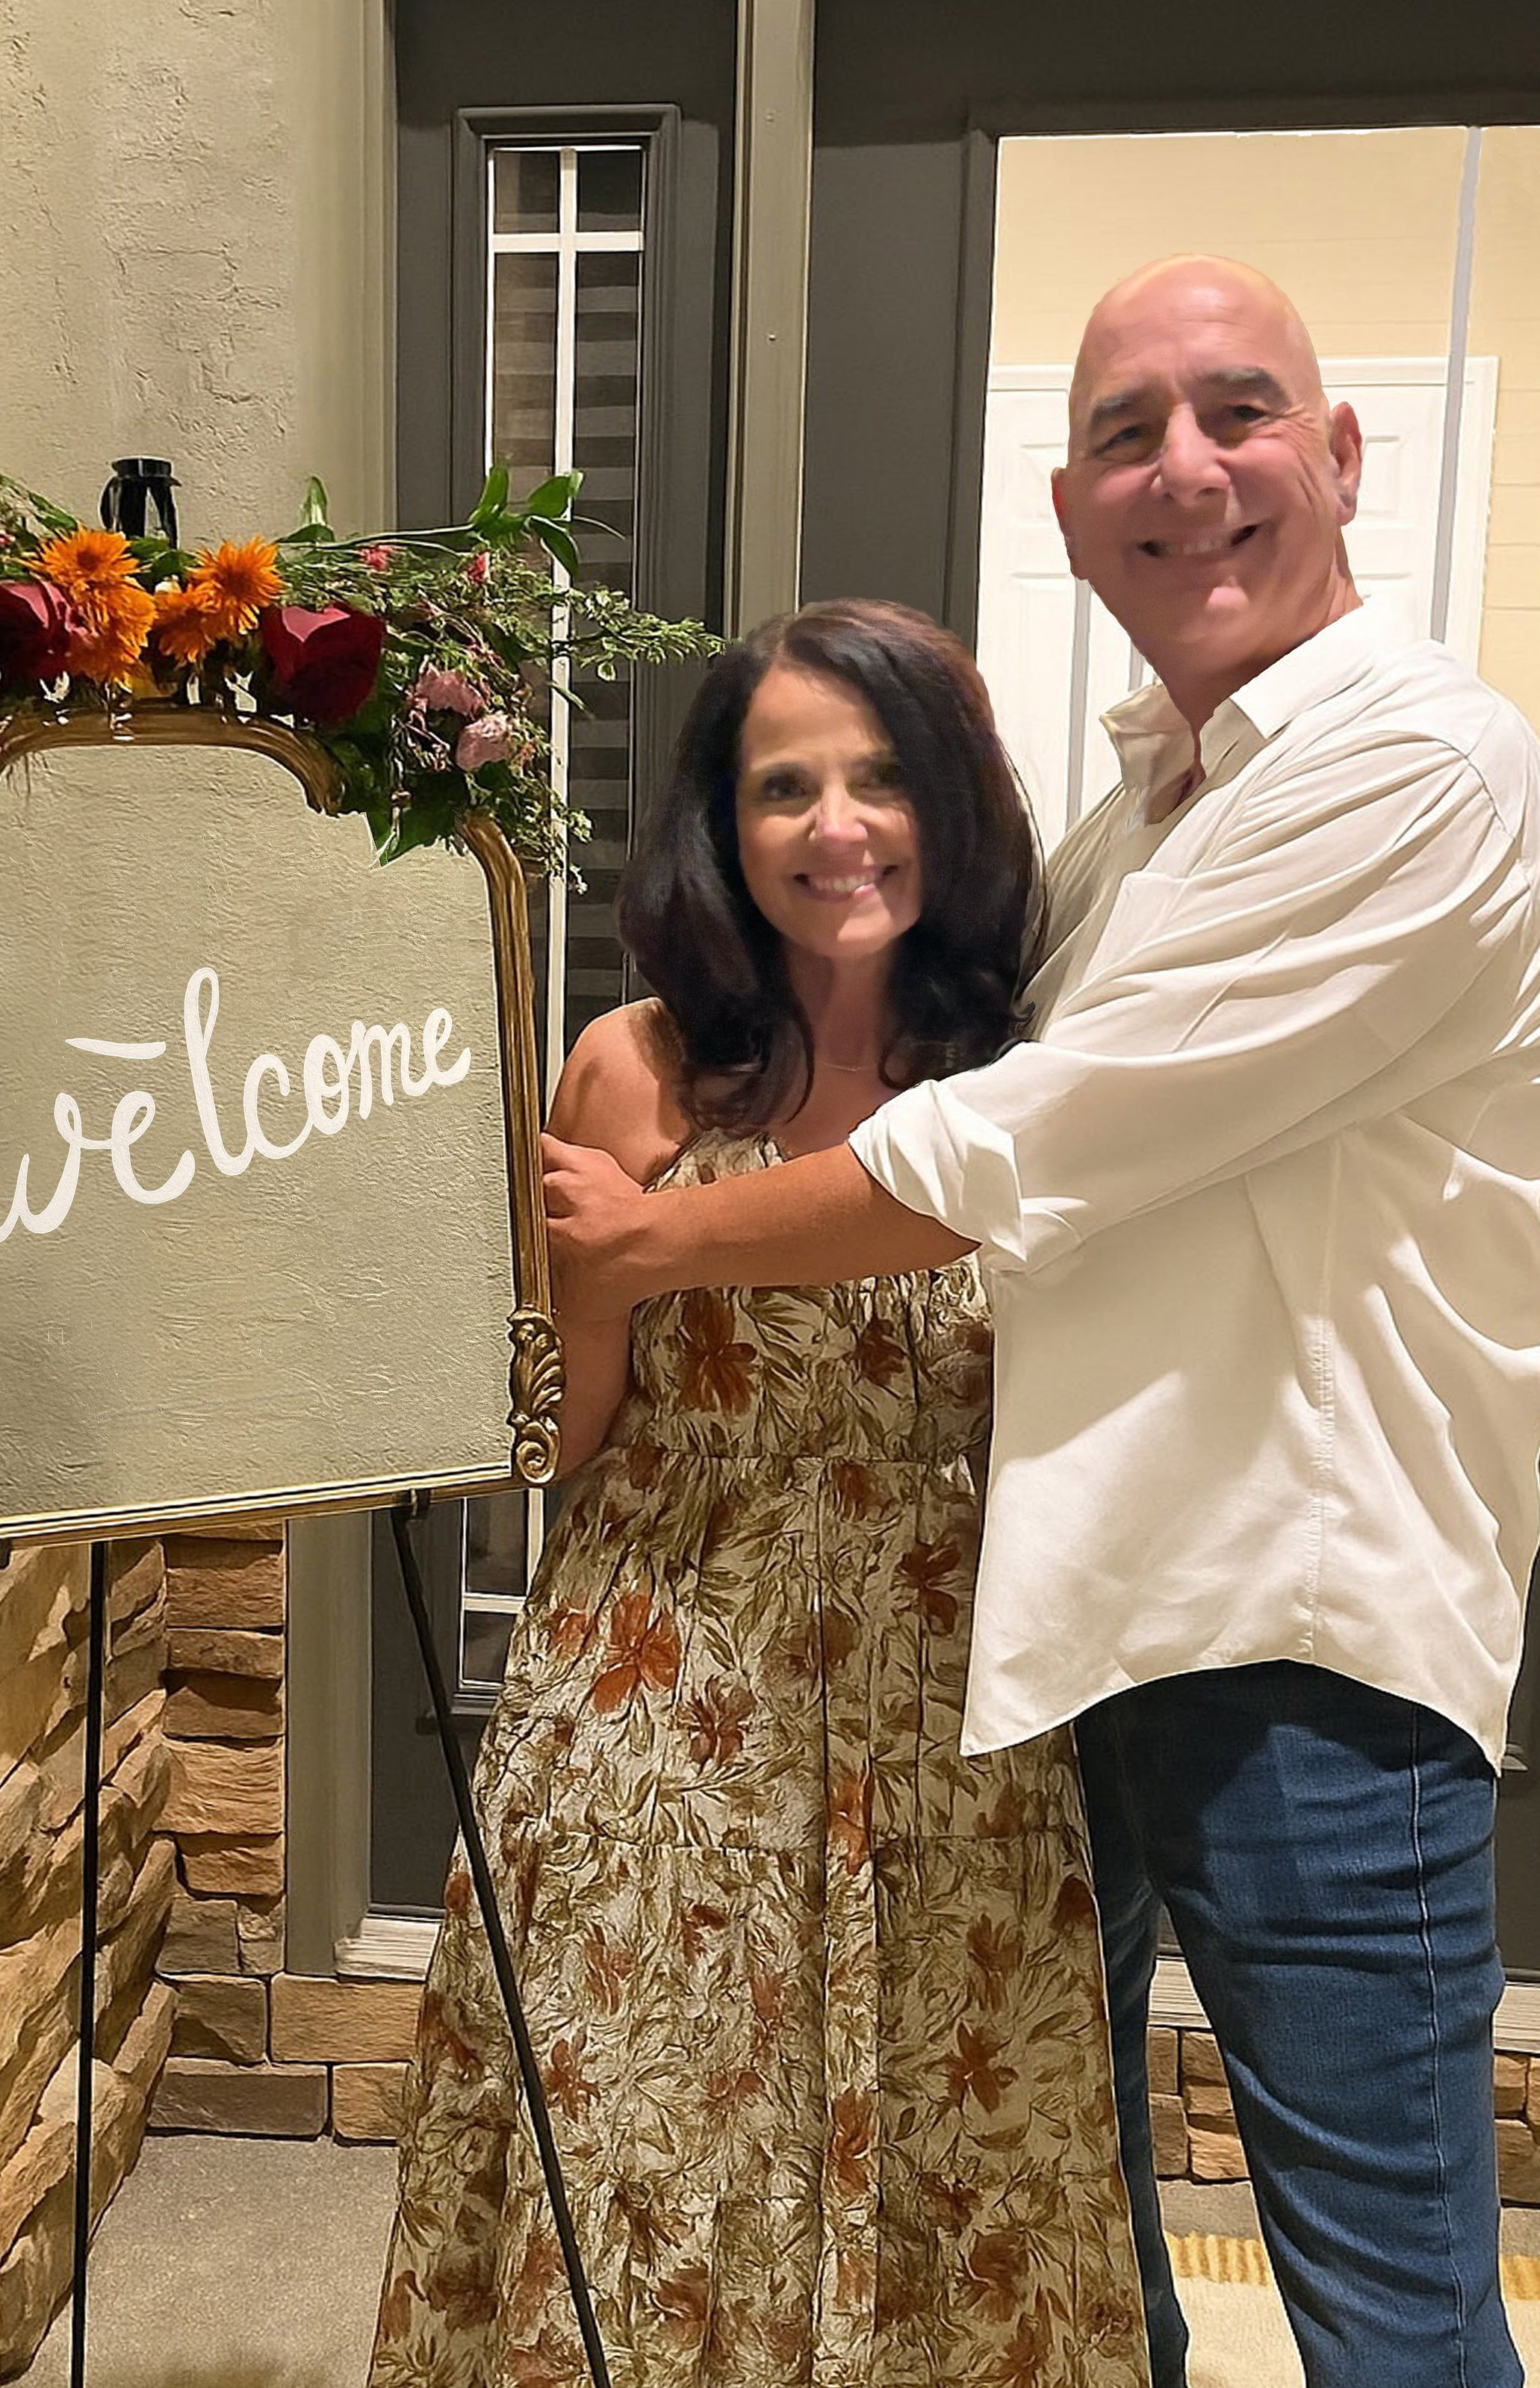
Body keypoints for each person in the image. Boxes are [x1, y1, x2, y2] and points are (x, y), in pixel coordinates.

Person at [543, 254, 1540, 2388]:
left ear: (1339, 457)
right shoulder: (1136, 819)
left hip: (1302, 1638)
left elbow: (1026, 1140)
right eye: (1122, 437)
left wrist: (649, 1242)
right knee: (1061, 2251)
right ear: (1074, 511)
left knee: (1384, 2304)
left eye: (1236, 411)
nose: (1182, 471)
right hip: (1058, 1636)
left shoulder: (1418, 768)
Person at [369, 600, 1150, 2388]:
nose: (833, 826)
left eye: (877, 777)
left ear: (949, 805)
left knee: (962, 2185)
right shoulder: (636, 1065)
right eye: (779, 785)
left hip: (956, 1722)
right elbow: (559, 1444)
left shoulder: (1029, 1071)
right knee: (647, 2173)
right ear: (721, 831)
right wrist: (597, 1272)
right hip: (666, 1703)